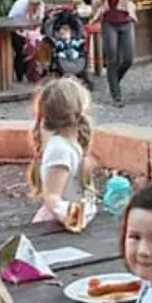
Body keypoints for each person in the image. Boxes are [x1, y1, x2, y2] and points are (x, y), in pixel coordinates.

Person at [28, 77, 96, 225]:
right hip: (55, 227)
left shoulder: (70, 145)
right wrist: (74, 218)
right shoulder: (60, 150)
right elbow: (52, 197)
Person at [91, 0, 139, 108]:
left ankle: (114, 81)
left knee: (128, 58)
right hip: (109, 21)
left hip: (126, 20)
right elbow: (95, 3)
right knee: (112, 58)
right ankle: (116, 95)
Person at [7, 0, 46, 82]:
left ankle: (34, 74)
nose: (35, 6)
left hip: (32, 30)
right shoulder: (20, 7)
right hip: (16, 29)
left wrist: (34, 35)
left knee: (36, 50)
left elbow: (39, 21)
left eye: (37, 4)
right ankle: (19, 76)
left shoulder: (41, 6)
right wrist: (24, 35)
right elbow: (11, 21)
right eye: (33, 4)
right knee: (20, 52)